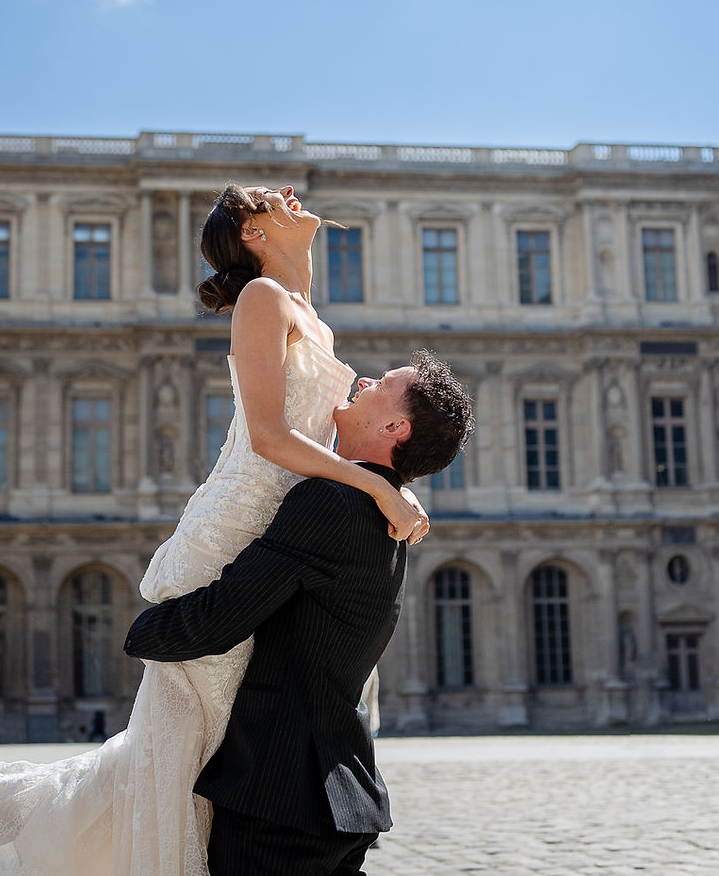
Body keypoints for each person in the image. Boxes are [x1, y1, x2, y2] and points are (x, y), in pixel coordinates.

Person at [0, 184, 425, 876]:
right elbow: (268, 436)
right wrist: (377, 484)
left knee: (216, 736)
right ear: (256, 237)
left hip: (280, 524)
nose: (286, 192)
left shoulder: (308, 314)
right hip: (241, 521)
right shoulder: (263, 299)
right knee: (183, 737)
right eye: (265, 199)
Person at [124, 349, 474, 876]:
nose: (365, 379)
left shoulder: (332, 502)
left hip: (281, 792)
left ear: (393, 426)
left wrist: (142, 632)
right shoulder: (388, 514)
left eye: (384, 382)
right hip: (335, 787)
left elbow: (225, 613)